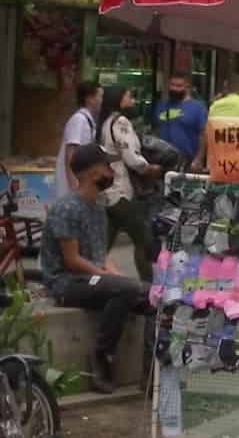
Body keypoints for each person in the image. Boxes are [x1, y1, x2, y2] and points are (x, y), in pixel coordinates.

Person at [41, 143, 153, 394]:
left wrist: (118, 276)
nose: (111, 171)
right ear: (92, 172)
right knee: (122, 289)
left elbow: (100, 255)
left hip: (92, 280)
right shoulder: (66, 208)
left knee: (154, 297)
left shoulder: (99, 209)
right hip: (67, 283)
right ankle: (102, 356)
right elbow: (72, 260)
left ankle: (150, 374)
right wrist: (111, 279)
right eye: (107, 166)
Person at [97, 85, 161, 282]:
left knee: (103, 244)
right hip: (121, 192)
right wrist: (149, 168)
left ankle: (88, 276)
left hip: (110, 192)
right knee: (143, 239)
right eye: (128, 96)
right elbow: (131, 158)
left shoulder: (107, 122)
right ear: (118, 99)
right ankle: (147, 285)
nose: (132, 101)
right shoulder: (121, 122)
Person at [56, 81, 102, 200]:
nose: (102, 101)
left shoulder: (88, 121)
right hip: (73, 188)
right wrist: (75, 186)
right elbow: (70, 155)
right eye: (100, 96)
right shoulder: (79, 120)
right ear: (89, 99)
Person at [153, 72, 207, 169]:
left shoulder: (198, 107)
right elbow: (157, 129)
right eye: (172, 85)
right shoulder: (161, 105)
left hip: (187, 160)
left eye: (179, 86)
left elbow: (203, 135)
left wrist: (199, 159)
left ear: (187, 86)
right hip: (162, 159)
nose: (174, 89)